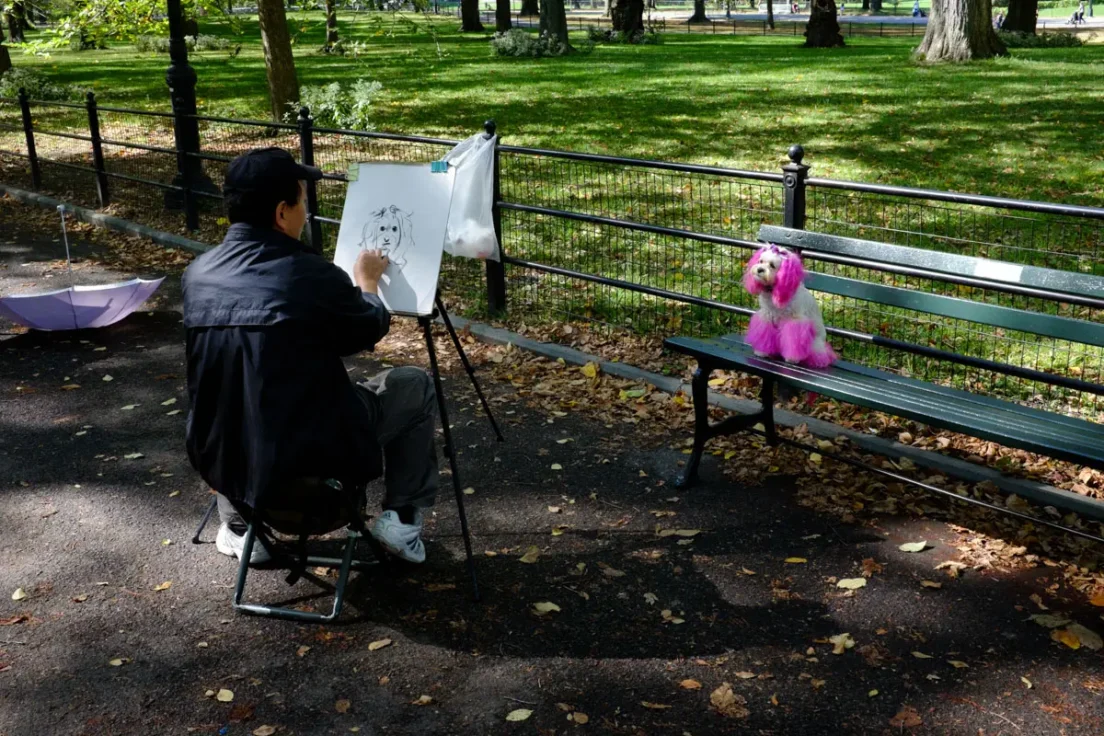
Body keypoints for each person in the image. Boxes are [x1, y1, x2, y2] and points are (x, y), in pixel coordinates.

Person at [182, 147, 439, 566]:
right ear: (282, 212)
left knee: (232, 398)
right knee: (413, 384)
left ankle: (240, 527)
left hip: (228, 463)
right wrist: (367, 284)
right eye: (302, 200)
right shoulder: (307, 274)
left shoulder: (197, 275)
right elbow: (366, 329)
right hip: (314, 472)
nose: (306, 210)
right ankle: (402, 520)